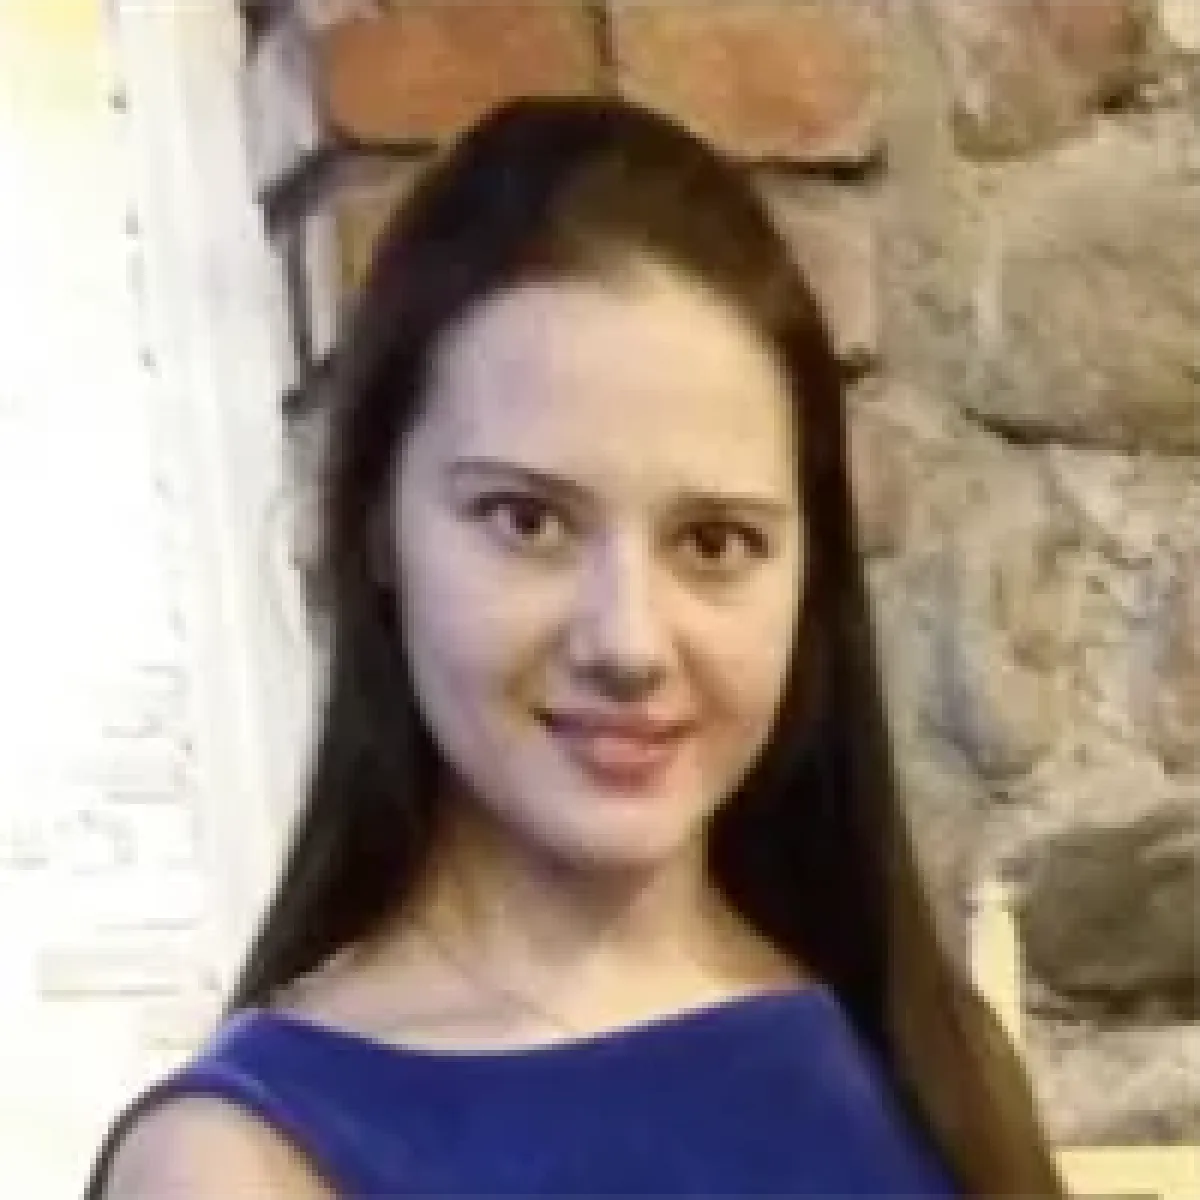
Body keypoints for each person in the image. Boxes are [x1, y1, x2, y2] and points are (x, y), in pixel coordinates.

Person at [86, 95, 1067, 1199]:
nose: (629, 643)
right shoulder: (236, 1165)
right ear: (376, 528)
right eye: (528, 522)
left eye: (715, 542)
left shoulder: (928, 1060)